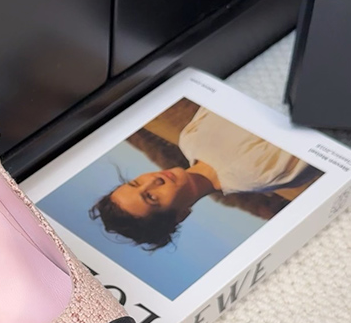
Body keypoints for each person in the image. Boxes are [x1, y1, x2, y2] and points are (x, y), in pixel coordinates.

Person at [90, 106, 322, 250]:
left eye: (136, 182)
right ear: (180, 215)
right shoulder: (258, 174)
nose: (154, 180)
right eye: (151, 197)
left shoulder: (189, 140)